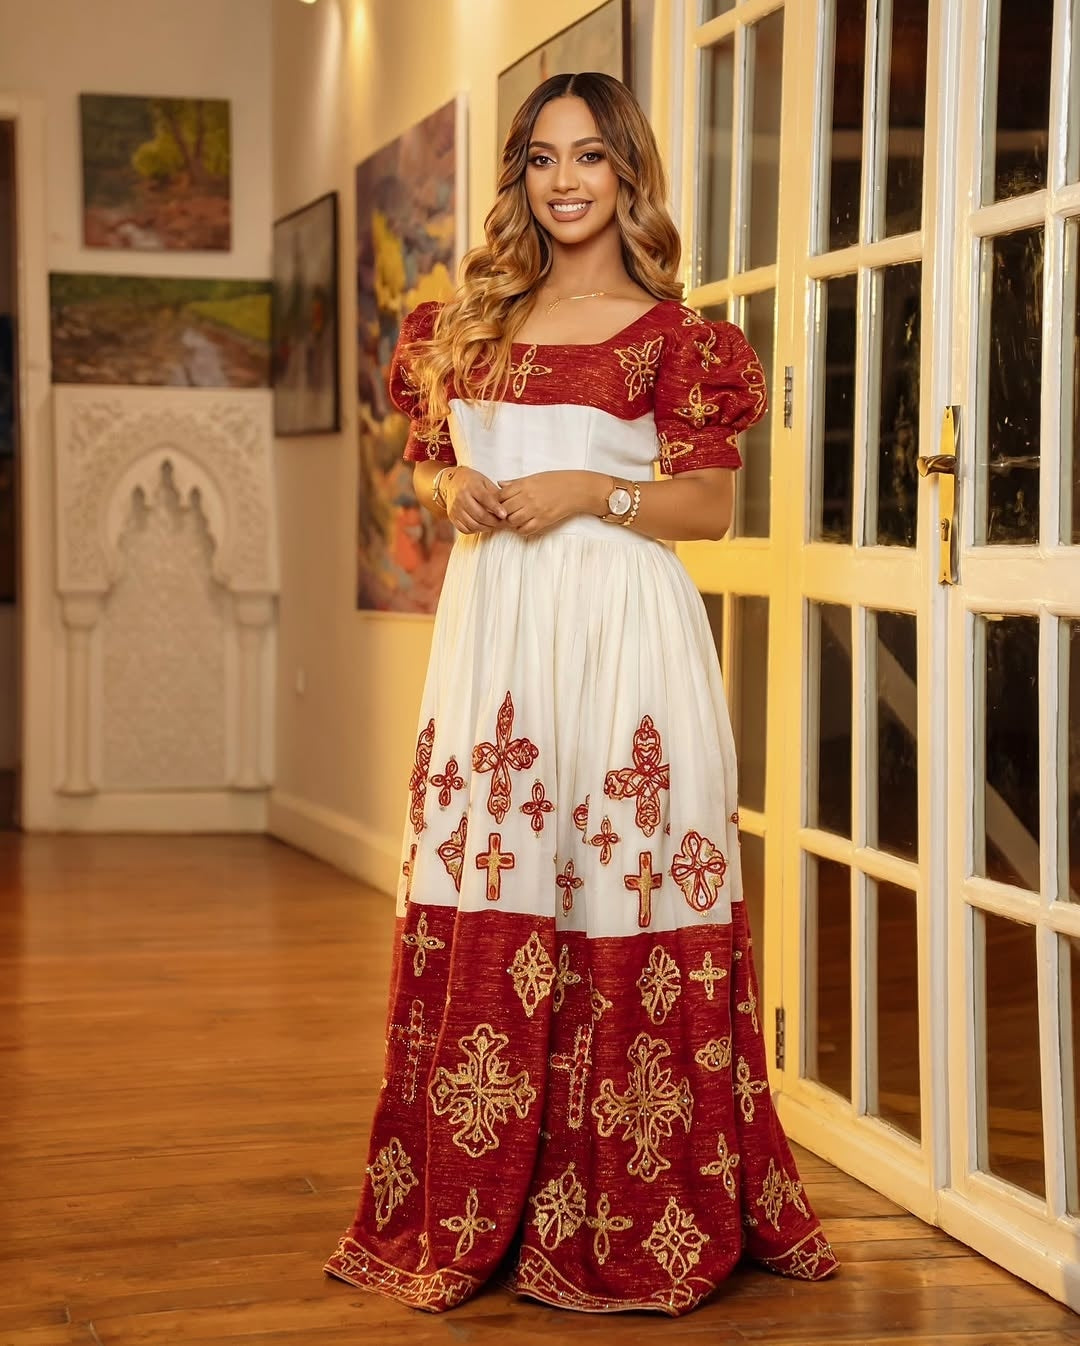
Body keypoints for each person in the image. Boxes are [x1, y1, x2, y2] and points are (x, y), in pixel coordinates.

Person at [325, 71, 838, 1316]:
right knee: (497, 882)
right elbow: (440, 463)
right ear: (520, 177)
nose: (565, 182)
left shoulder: (677, 338)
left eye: (591, 159)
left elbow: (706, 509)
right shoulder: (464, 325)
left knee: (620, 887)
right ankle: (481, 1186)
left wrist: (587, 492)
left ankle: (635, 1201)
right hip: (500, 639)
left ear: (627, 175)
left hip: (626, 642)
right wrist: (459, 497)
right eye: (544, 159)